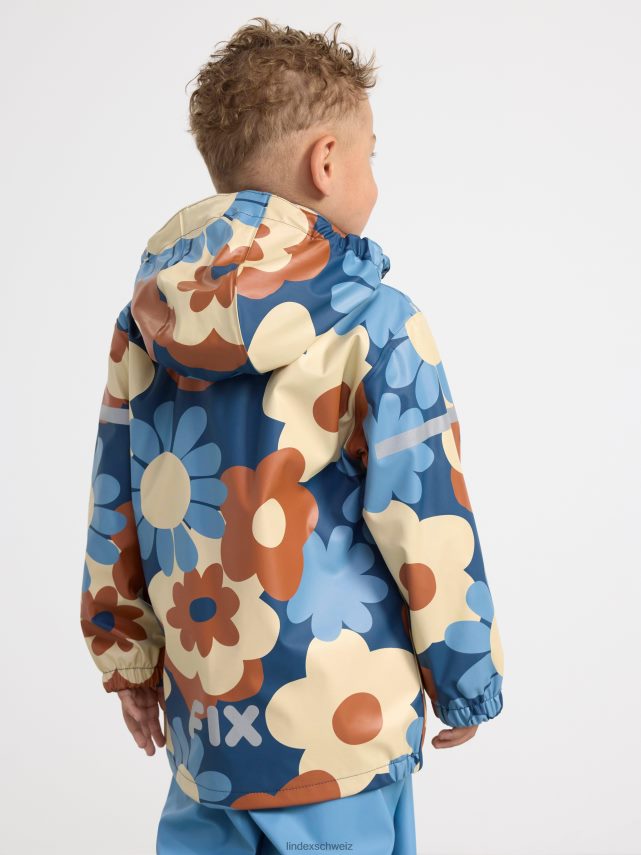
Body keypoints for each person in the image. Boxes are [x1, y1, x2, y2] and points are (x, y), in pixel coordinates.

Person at [80, 16, 505, 855]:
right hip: (342, 737)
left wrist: (126, 656)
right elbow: (425, 514)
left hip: (209, 733)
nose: (375, 178)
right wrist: (464, 674)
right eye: (372, 155)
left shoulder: (148, 322)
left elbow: (115, 500)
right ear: (326, 161)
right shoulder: (378, 320)